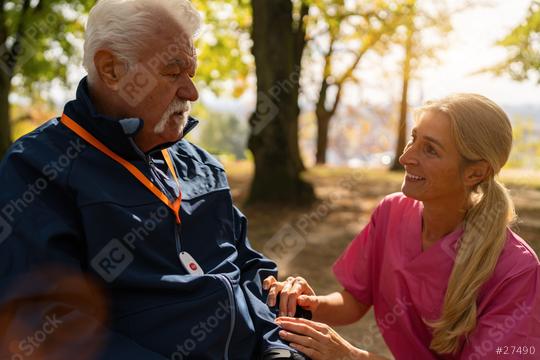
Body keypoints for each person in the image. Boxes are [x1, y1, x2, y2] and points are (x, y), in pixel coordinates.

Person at [0, 0, 305, 359]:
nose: (191, 92)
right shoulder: (37, 169)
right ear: (111, 69)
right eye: (173, 72)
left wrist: (279, 349)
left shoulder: (203, 167)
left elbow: (250, 272)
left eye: (191, 73)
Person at [264, 94, 540, 359]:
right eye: (413, 139)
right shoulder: (392, 212)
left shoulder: (517, 271)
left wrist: (350, 357)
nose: (406, 157)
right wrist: (308, 305)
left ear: (475, 172)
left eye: (430, 149)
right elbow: (356, 300)